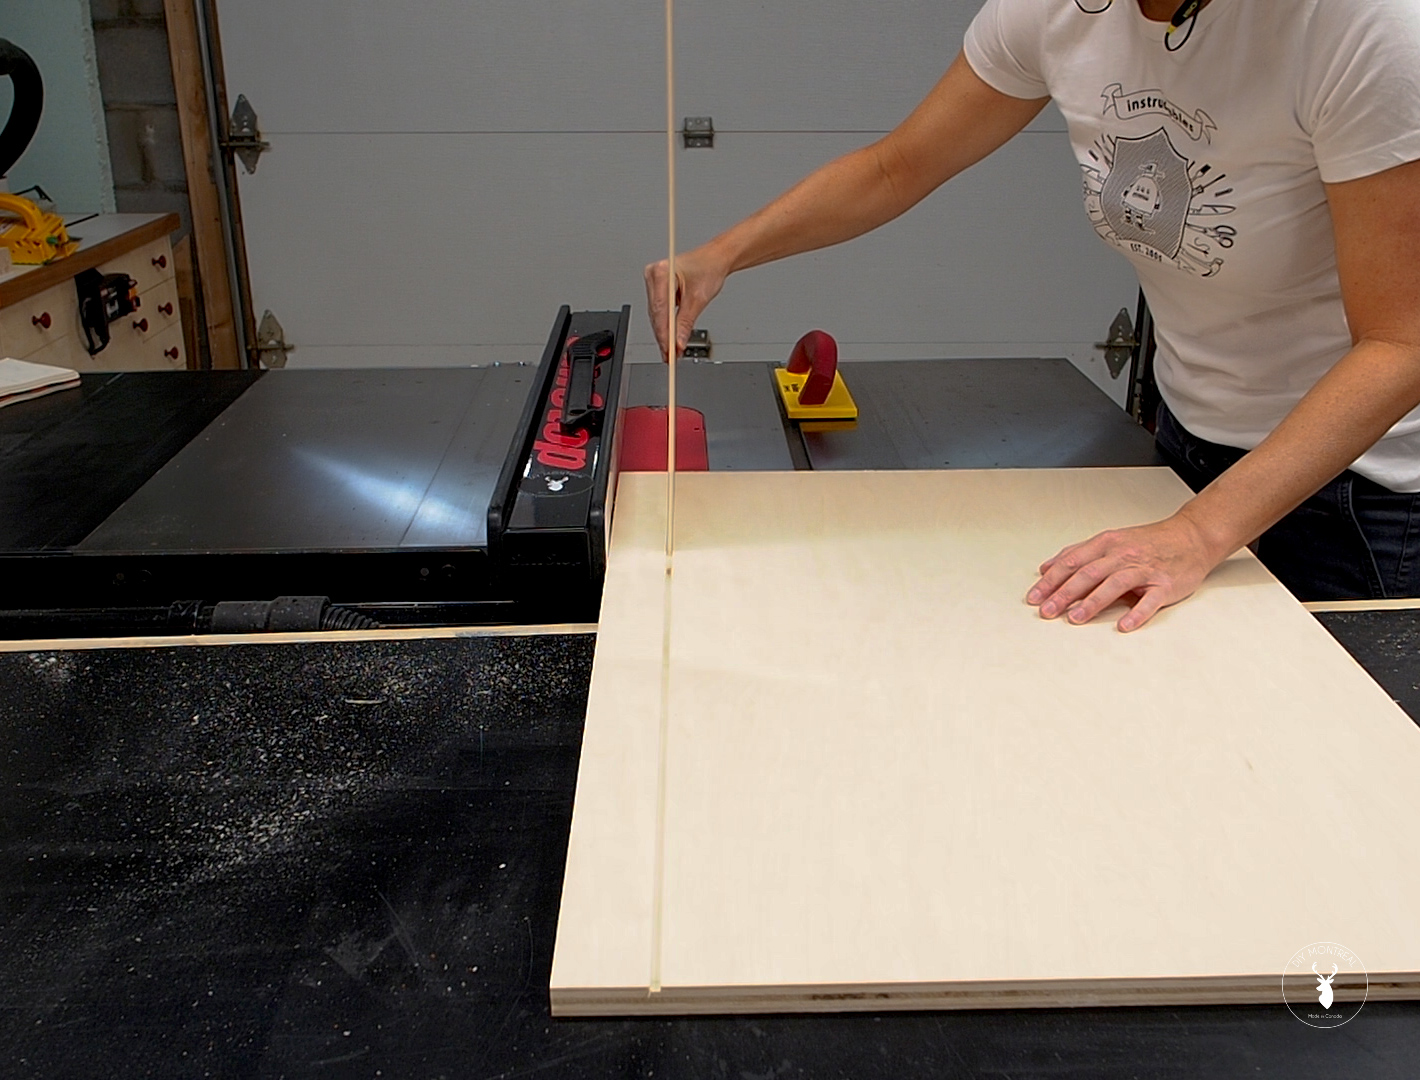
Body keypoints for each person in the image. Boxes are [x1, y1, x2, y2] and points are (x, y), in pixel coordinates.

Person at [645, 0, 1420, 631]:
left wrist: (1198, 532)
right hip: (1192, 449)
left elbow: (1401, 342)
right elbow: (897, 167)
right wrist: (720, 255)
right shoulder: (1057, 11)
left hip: (1361, 495)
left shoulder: (1362, 28)